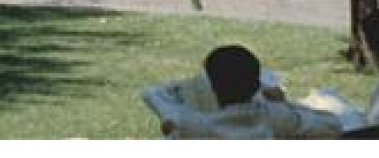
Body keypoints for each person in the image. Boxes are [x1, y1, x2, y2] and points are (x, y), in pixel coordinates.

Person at [145, 45, 344, 139]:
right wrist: (285, 103)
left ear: (210, 87)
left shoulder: (193, 125)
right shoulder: (275, 117)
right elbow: (332, 125)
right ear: (256, 86)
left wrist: (171, 128)